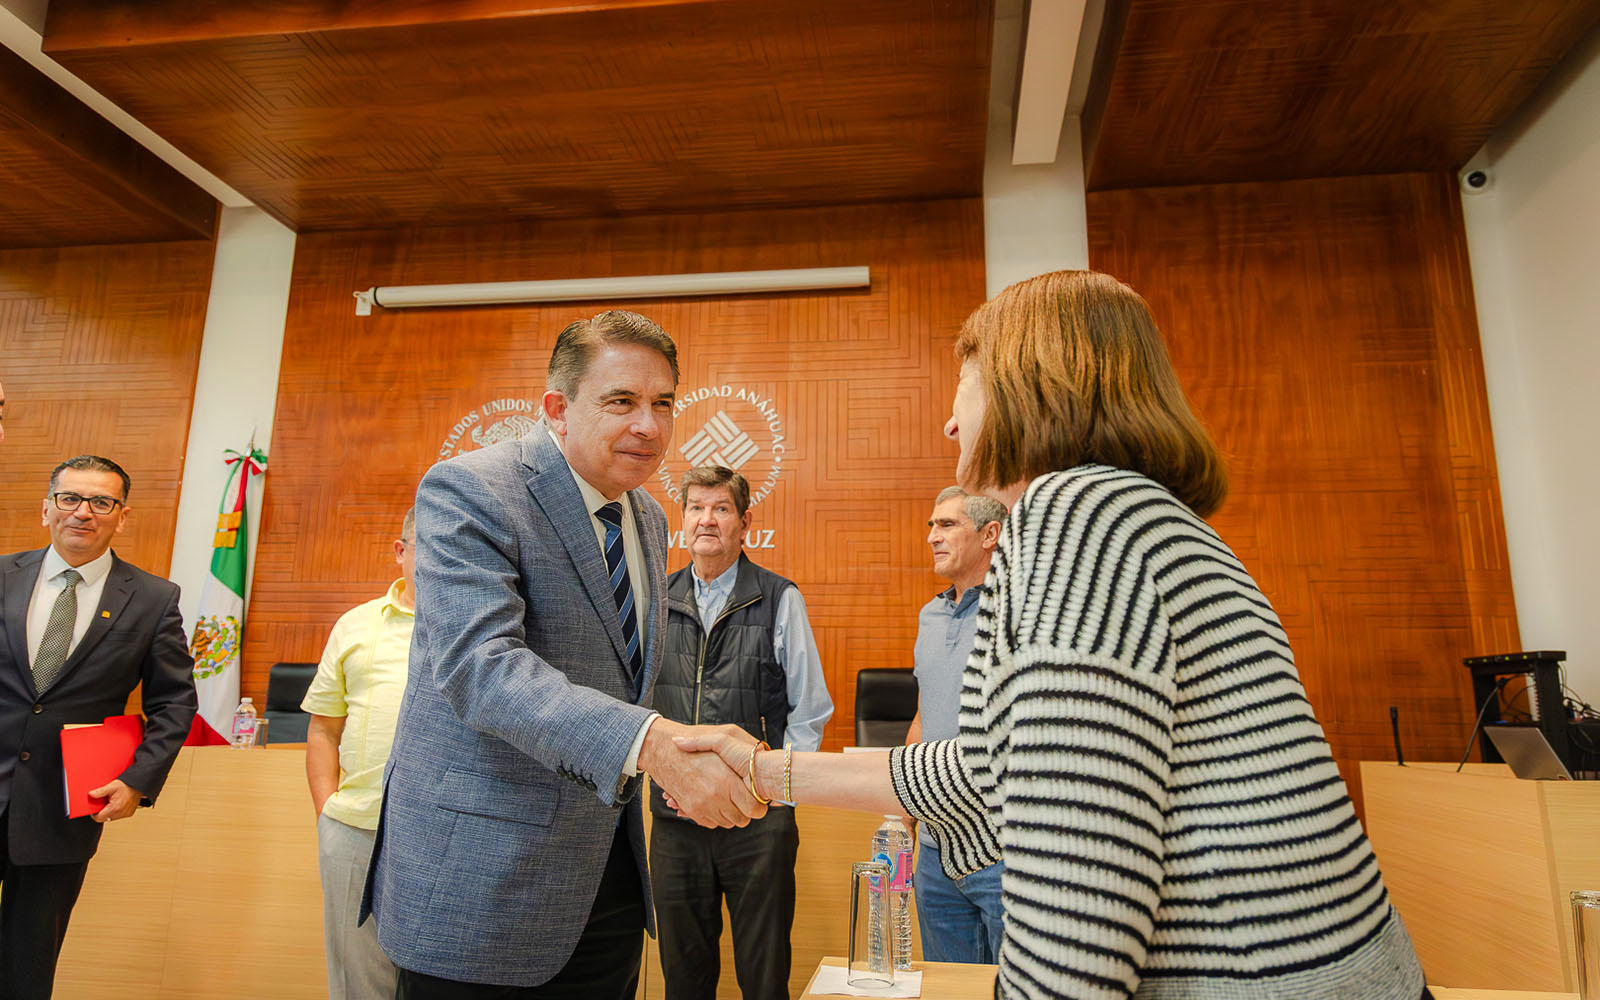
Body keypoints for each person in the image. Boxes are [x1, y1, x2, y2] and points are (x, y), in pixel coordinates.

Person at [677, 271, 1430, 999]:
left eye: (963, 390)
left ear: (1022, 390)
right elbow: (992, 767)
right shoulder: (1143, 515)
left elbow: (1078, 907)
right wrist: (769, 771)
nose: (949, 422)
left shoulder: (1074, 514)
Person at [365, 310, 763, 1000]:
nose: (649, 425)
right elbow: (481, 669)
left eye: (663, 403)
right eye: (621, 402)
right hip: (484, 888)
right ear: (557, 408)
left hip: (604, 882)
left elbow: (617, 676)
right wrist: (653, 744)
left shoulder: (644, 514)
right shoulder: (470, 488)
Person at [0, 455, 198, 999]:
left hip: (62, 810)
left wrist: (139, 779)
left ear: (122, 515)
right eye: (70, 498)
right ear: (46, 508)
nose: (82, 512)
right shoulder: (1, 575)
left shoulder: (155, 600)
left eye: (101, 502)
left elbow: (175, 702)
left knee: (26, 966)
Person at [650, 466, 833, 1000]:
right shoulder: (657, 601)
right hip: (676, 821)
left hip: (757, 825)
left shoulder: (779, 598)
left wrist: (774, 794)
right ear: (682, 521)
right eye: (696, 508)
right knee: (683, 980)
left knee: (764, 975)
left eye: (721, 509)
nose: (707, 519)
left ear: (745, 522)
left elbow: (810, 711)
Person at [302, 506, 418, 999]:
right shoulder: (356, 625)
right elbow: (323, 730)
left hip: (450, 839)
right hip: (355, 830)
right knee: (358, 983)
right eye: (430, 546)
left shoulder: (493, 630)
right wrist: (328, 813)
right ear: (401, 552)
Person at [904, 485, 1006, 965]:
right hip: (934, 850)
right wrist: (904, 805)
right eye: (931, 525)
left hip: (1002, 849)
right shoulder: (929, 614)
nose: (932, 536)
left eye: (947, 525)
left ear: (991, 535)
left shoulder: (1018, 611)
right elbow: (924, 717)